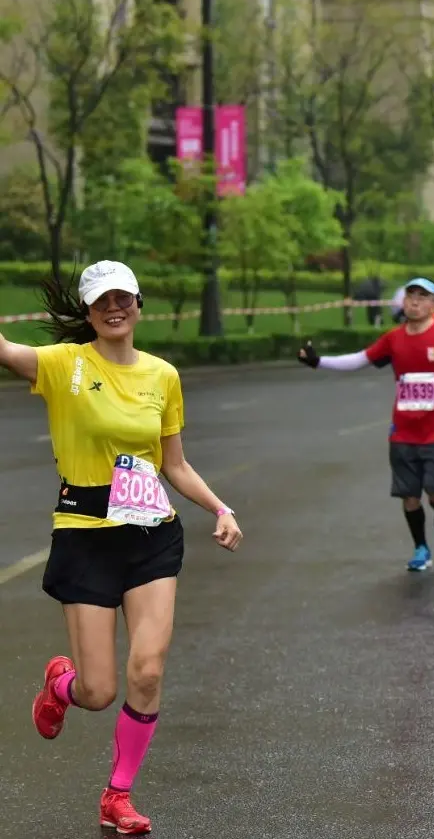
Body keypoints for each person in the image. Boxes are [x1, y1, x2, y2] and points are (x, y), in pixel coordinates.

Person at [0, 260, 242, 835]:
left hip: (151, 532)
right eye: (102, 301)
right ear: (88, 312)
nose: (114, 309)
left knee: (148, 671)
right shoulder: (62, 364)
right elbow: (5, 349)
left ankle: (118, 795)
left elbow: (173, 464)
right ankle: (61, 685)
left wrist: (220, 509)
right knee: (99, 691)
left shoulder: (163, 375)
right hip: (85, 535)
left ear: (137, 305)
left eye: (123, 299)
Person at [298, 277, 434, 572]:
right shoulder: (393, 339)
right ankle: (420, 548)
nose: (414, 301)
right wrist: (318, 361)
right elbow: (359, 360)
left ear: (433, 305)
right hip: (402, 433)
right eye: (410, 295)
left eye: (422, 296)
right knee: (409, 496)